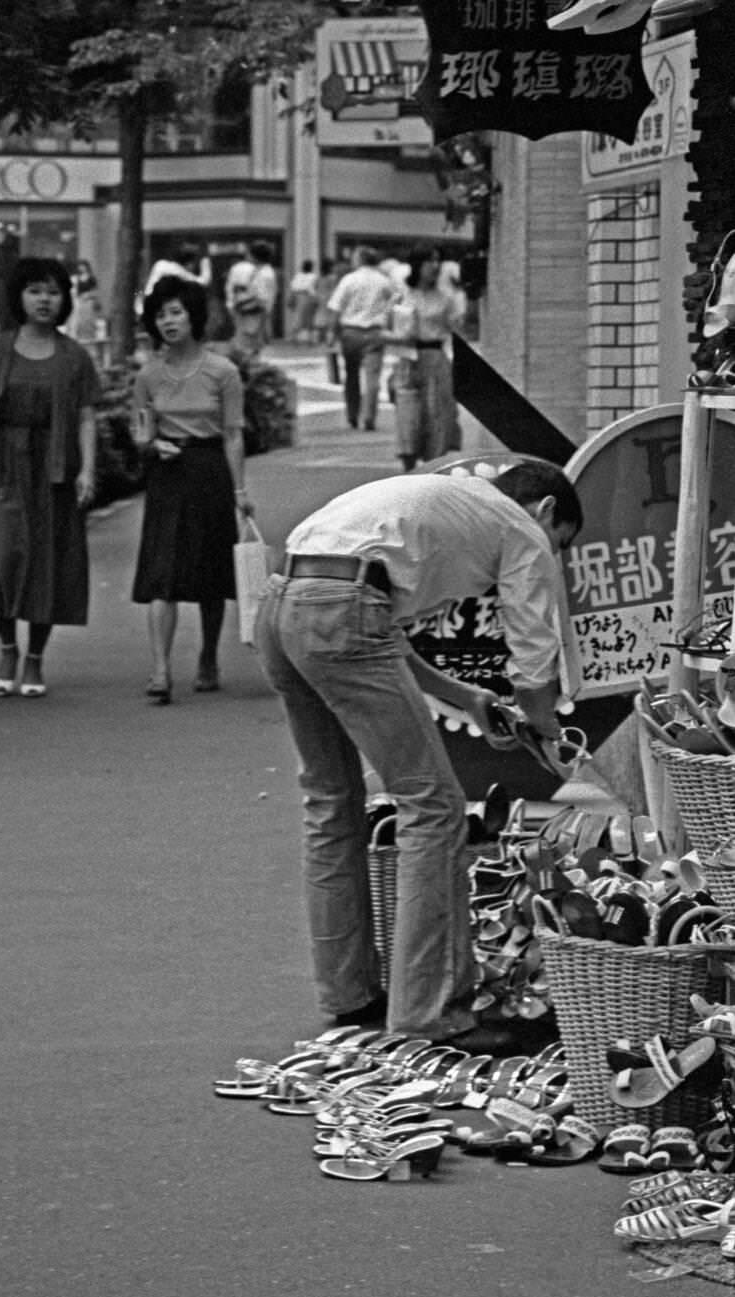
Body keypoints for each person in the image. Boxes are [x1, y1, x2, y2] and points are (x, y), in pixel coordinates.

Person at [253, 462, 583, 1049]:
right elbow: (533, 649)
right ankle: (434, 1014)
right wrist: (546, 730)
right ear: (548, 511)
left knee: (332, 802)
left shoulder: (447, 503)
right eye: (562, 545)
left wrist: (466, 698)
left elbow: (374, 624)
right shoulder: (522, 527)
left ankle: (349, 996)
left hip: (281, 606)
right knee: (433, 809)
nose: (552, 555)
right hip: (340, 611)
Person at [0, 257, 103, 698]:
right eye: (35, 290)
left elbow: (87, 417)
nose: (44, 299)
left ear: (64, 300)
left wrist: (88, 470)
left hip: (54, 469)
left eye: (53, 292)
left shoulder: (75, 357)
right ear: (18, 296)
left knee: (47, 565)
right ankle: (7, 645)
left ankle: (35, 658)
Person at [131, 275, 253, 704]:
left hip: (209, 471)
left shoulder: (223, 372)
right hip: (167, 475)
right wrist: (150, 444)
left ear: (193, 317)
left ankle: (208, 656)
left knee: (209, 574)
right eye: (161, 314)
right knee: (161, 574)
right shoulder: (147, 375)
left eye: (176, 312)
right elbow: (139, 428)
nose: (169, 321)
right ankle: (160, 669)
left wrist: (240, 492)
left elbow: (233, 434)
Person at [384, 247, 464, 472]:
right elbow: (386, 324)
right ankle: (407, 467)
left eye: (437, 261)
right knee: (408, 415)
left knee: (438, 415)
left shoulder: (445, 297)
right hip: (407, 358)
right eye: (430, 261)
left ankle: (432, 468)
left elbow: (455, 327)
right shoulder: (401, 295)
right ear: (418, 264)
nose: (435, 266)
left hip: (436, 358)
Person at [325, 244, 397, 431]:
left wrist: (331, 333)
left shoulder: (349, 279)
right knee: (373, 377)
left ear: (360, 259)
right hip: (375, 332)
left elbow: (336, 307)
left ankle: (352, 415)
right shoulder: (384, 281)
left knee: (351, 375)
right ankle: (369, 417)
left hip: (351, 332)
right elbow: (395, 304)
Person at [224, 240, 278, 357]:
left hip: (252, 314)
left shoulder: (264, 273)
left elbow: (261, 297)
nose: (247, 256)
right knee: (251, 347)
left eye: (249, 253)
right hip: (253, 313)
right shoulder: (262, 271)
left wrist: (239, 306)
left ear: (254, 256)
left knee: (246, 346)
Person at [69, 259, 103, 344]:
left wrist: (88, 295)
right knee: (80, 321)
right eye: (80, 266)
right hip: (80, 302)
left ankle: (90, 337)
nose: (81, 268)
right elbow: (75, 291)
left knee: (89, 320)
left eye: (83, 266)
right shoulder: (77, 279)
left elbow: (96, 291)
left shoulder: (91, 278)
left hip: (89, 302)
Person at [288, 259, 318, 343]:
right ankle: (310, 338)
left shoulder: (298, 276)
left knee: (298, 317)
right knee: (309, 318)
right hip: (308, 297)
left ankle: (294, 337)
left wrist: (291, 298)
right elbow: (314, 288)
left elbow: (293, 287)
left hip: (298, 297)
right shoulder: (313, 276)